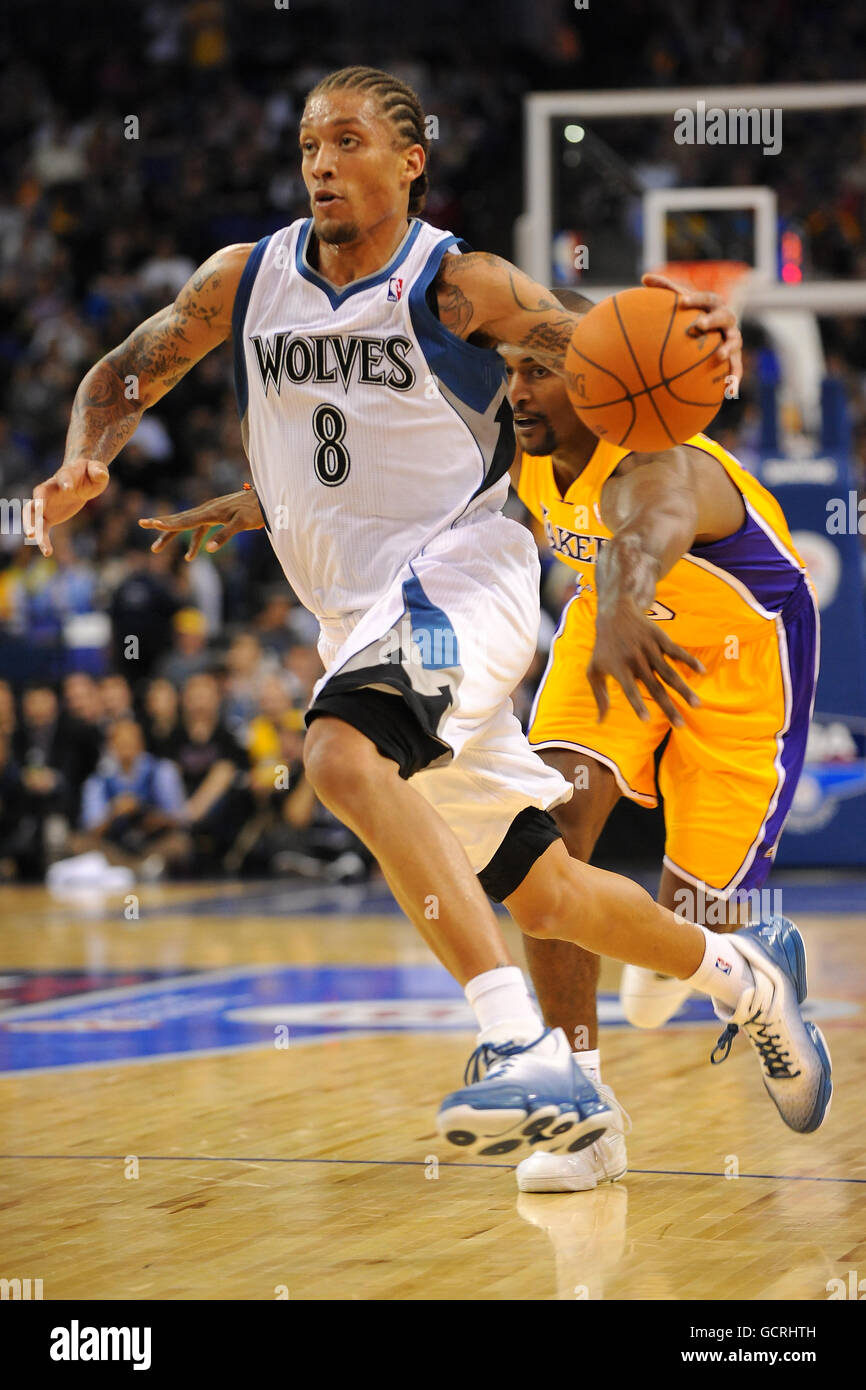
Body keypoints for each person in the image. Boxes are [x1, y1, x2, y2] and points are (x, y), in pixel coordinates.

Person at [28, 65, 830, 1164]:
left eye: (349, 140)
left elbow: (603, 355)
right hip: (358, 615)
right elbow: (126, 372)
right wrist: (84, 460)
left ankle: (521, 1052)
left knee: (340, 754)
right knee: (543, 891)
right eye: (310, 141)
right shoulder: (242, 279)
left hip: (466, 579)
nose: (321, 160)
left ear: (410, 161)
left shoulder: (462, 286)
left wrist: (693, 341)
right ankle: (744, 979)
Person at [498, 292, 821, 1190]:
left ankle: (757, 968)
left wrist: (625, 596)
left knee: (658, 977)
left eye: (541, 373)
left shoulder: (664, 467)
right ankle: (580, 1113)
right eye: (511, 369)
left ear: (600, 384)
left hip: (739, 666)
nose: (517, 390)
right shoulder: (520, 428)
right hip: (612, 633)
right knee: (543, 839)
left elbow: (643, 532)